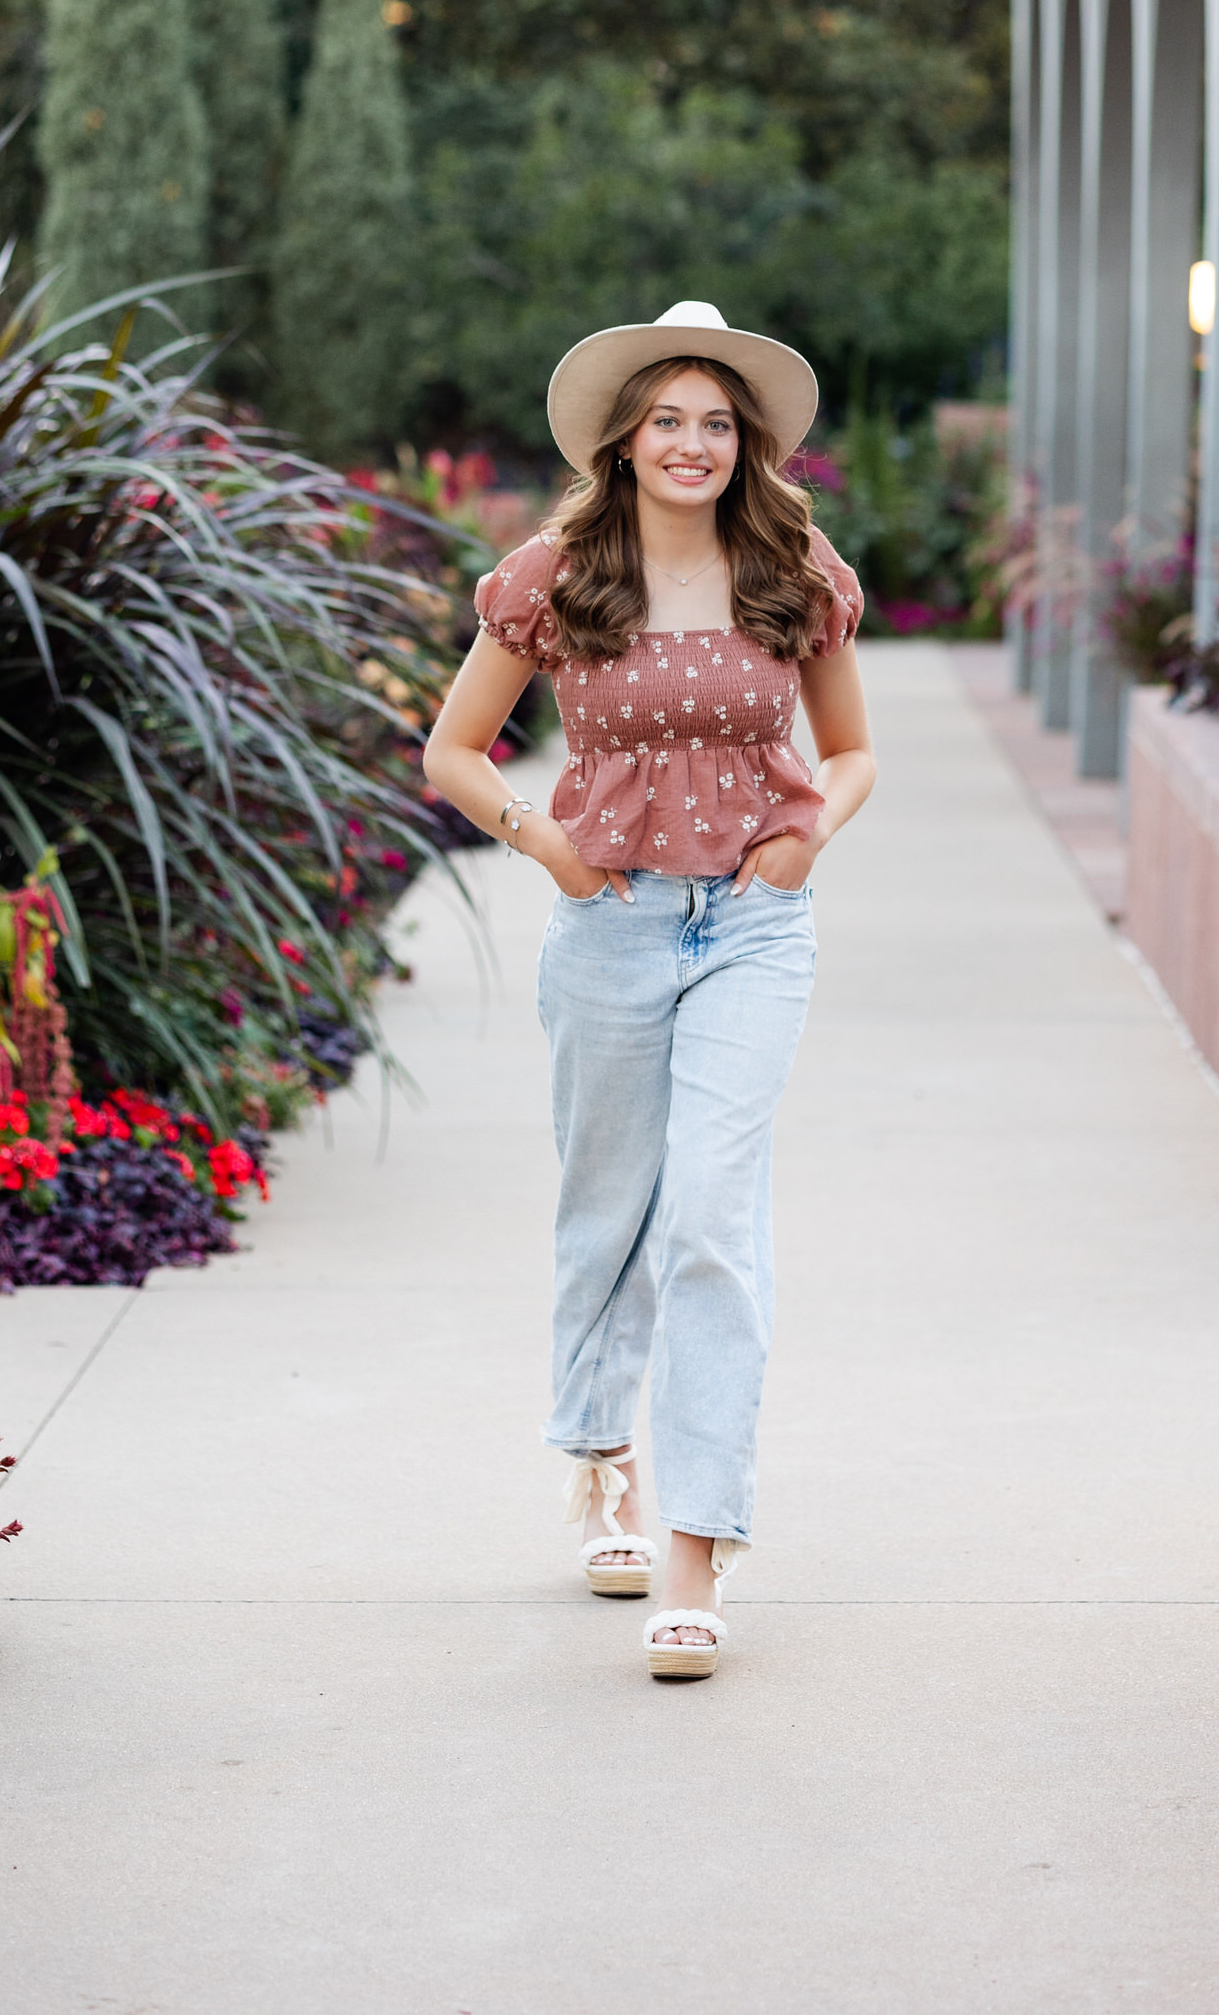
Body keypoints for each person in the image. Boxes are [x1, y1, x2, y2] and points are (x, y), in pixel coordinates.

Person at [423, 302, 875, 1680]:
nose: (694, 444)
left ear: (751, 445)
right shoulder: (555, 576)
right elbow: (454, 750)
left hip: (749, 927)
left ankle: (697, 1546)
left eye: (718, 423)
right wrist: (545, 841)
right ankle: (602, 1465)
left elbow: (851, 751)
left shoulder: (794, 565)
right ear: (625, 439)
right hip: (610, 930)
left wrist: (807, 836)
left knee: (713, 1223)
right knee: (608, 1210)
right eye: (669, 419)